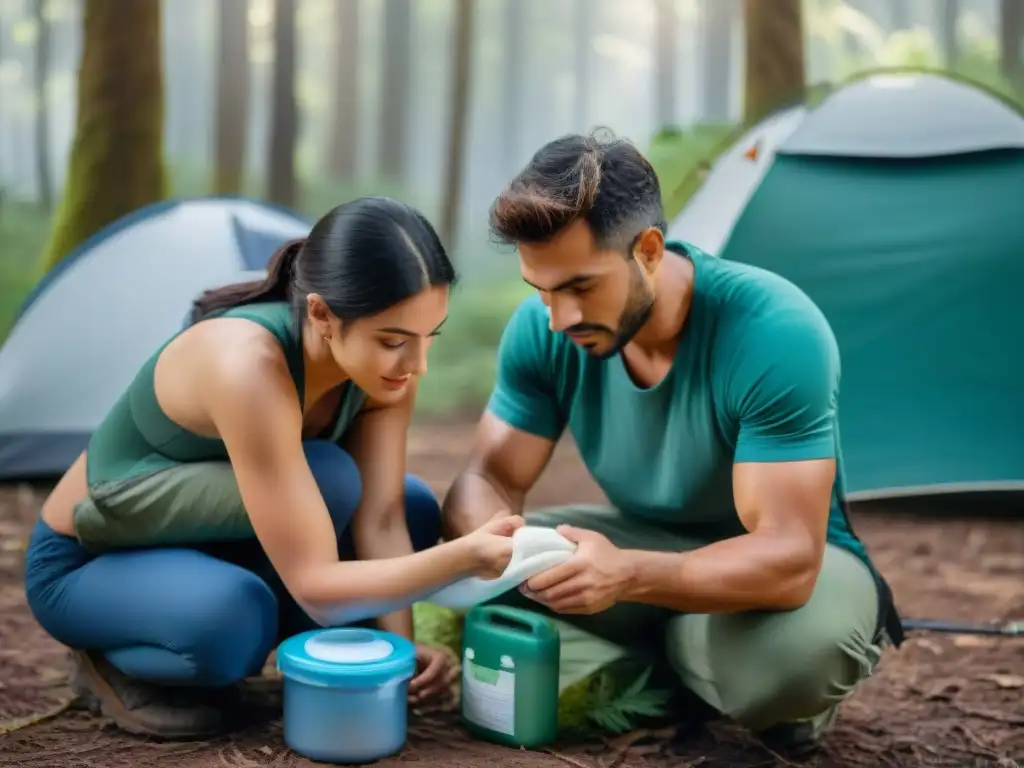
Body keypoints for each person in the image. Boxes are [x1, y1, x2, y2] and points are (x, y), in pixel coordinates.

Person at [441, 133, 904, 751]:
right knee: (452, 567)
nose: (558, 318)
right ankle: (690, 660)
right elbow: (485, 480)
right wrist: (502, 546)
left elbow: (789, 557)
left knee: (793, 664)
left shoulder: (773, 331)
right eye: (542, 290)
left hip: (781, 570)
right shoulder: (544, 330)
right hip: (643, 544)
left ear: (650, 251)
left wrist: (627, 577)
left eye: (580, 287)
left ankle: (676, 663)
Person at [24, 196, 524, 740]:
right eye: (394, 341)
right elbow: (314, 582)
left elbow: (381, 520)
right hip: (88, 562)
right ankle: (113, 657)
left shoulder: (391, 372)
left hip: (214, 538)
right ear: (321, 315)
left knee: (411, 507)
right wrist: (462, 557)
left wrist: (394, 656)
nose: (417, 364)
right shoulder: (248, 365)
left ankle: (252, 622)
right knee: (239, 611)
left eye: (431, 337)